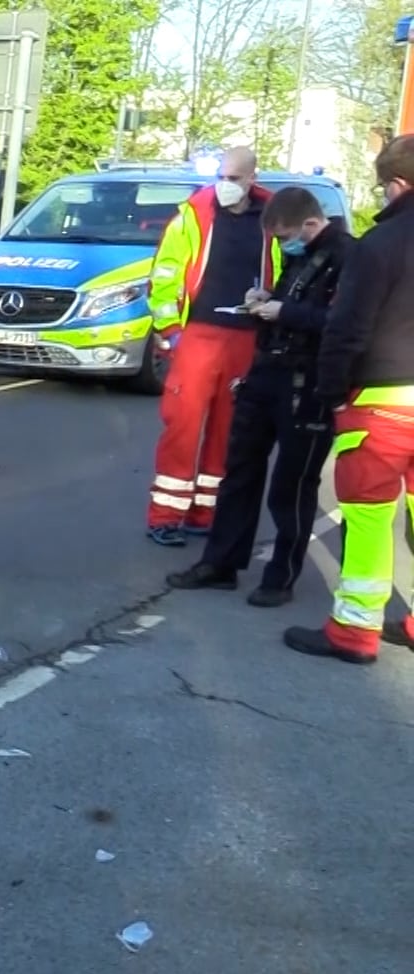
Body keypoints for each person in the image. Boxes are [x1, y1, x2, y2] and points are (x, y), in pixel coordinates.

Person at [165, 186, 353, 605]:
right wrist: (267, 301)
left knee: (292, 485)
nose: (283, 246)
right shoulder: (301, 254)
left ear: (310, 223)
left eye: (286, 237)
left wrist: (285, 312)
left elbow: (343, 323)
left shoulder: (347, 256)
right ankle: (220, 564)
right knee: (239, 472)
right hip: (268, 370)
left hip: (309, 382)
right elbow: (294, 299)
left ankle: (280, 578)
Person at [284, 135, 414, 664]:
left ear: (397, 184)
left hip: (383, 400)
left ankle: (354, 631)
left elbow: (347, 327)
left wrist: (333, 391)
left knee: (367, 515)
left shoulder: (381, 244)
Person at [144, 147, 283, 547]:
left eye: (234, 178)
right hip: (198, 334)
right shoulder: (194, 215)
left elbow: (281, 273)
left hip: (246, 335)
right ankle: (165, 516)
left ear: (252, 178)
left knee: (229, 430)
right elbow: (165, 275)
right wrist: (171, 330)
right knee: (182, 426)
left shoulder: (270, 219)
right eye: (221, 177)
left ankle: (206, 512)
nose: (225, 185)